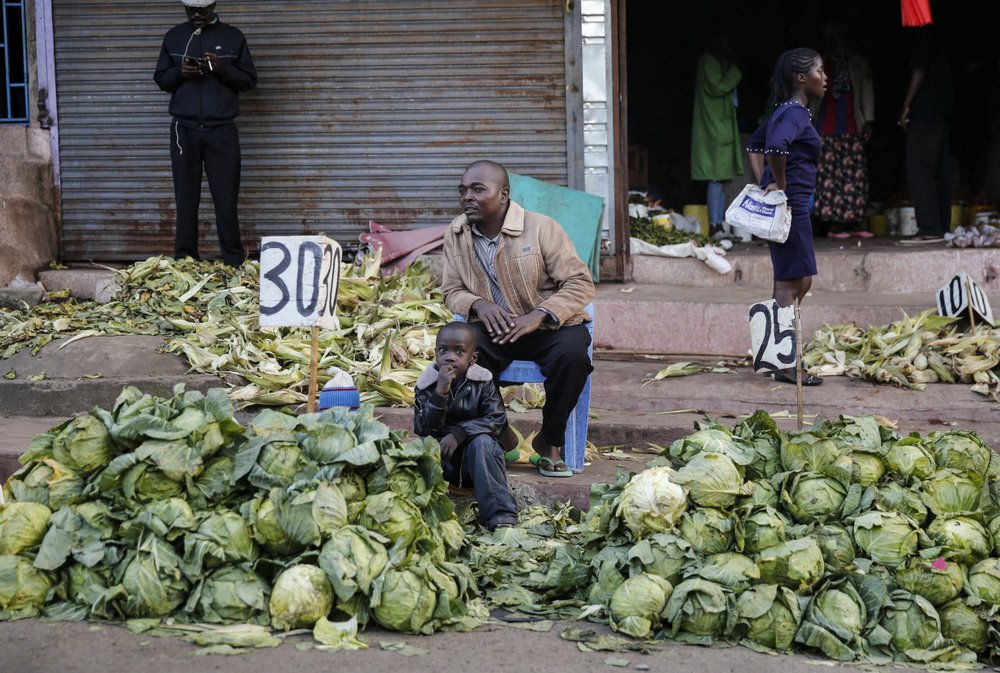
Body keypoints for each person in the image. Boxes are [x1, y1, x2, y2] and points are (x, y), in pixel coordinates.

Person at [441, 160, 595, 478]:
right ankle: (503, 434)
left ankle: (549, 441)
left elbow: (580, 283)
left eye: (478, 189)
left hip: (550, 326)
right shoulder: (456, 234)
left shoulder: (541, 228)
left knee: (573, 355)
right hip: (494, 329)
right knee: (460, 356)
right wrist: (479, 304)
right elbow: (451, 291)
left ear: (504, 195)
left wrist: (540, 314)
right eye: (463, 190)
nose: (467, 196)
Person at [154, 1, 257, 267]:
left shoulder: (233, 37)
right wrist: (180, 73)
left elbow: (249, 81)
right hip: (184, 130)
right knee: (185, 197)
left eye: (203, 10)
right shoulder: (175, 36)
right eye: (191, 10)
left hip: (221, 129)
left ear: (213, 6)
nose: (197, 15)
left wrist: (222, 69)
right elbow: (162, 80)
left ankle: (233, 260)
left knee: (225, 197)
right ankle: (185, 259)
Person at [747, 49, 827, 386]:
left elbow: (755, 145)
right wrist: (777, 185)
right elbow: (775, 148)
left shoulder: (783, 111)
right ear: (801, 78)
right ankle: (785, 362)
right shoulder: (795, 114)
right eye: (820, 71)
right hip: (791, 204)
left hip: (786, 203)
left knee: (797, 277)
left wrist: (765, 183)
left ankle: (780, 352)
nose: (826, 77)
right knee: (792, 280)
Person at [414, 322, 517, 531]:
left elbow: (496, 419)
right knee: (421, 447)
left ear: (473, 358)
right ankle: (423, 513)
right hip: (446, 464)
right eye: (443, 350)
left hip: (478, 463)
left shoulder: (483, 382)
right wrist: (440, 394)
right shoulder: (426, 385)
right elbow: (424, 428)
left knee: (483, 441)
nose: (450, 357)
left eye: (459, 351)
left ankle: (501, 516)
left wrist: (460, 433)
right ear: (435, 353)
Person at [814, 26, 875, 239]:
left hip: (851, 125)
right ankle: (835, 226)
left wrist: (868, 121)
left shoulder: (856, 63)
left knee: (855, 177)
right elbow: (811, 96)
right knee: (830, 177)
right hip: (827, 128)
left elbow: (866, 90)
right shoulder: (819, 64)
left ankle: (855, 222)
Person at [898, 24, 954, 243]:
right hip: (942, 111)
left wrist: (906, 104)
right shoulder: (943, 36)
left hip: (926, 112)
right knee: (940, 171)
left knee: (919, 170)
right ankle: (941, 226)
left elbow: (919, 69)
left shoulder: (924, 36)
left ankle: (930, 227)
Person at [691, 34, 744, 233]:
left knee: (721, 179)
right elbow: (718, 86)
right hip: (714, 128)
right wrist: (734, 72)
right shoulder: (708, 62)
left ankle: (720, 223)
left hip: (720, 127)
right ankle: (714, 225)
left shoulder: (713, 62)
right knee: (715, 177)